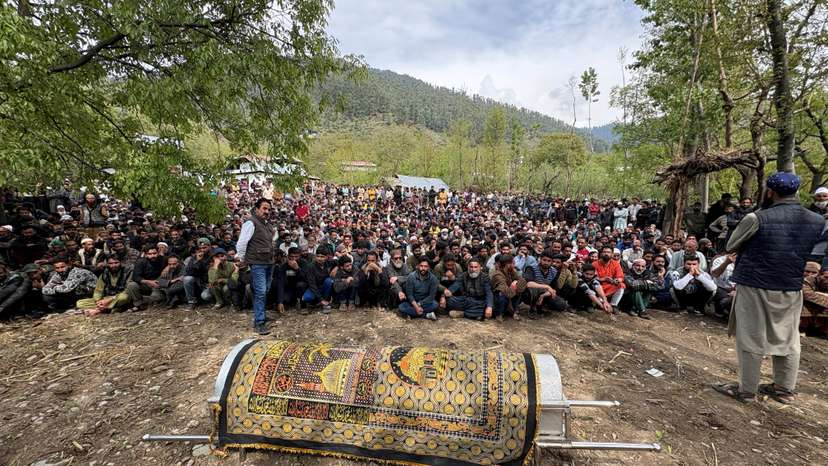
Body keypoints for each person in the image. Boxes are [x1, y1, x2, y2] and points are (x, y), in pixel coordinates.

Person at [713, 172, 826, 404]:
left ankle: (747, 390)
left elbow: (731, 245)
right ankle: (784, 388)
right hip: (791, 286)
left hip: (756, 284)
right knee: (789, 338)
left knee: (751, 337)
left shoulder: (757, 218)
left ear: (770, 192)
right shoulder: (817, 220)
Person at [235, 198, 275, 335]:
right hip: (257, 263)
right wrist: (241, 259)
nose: (267, 211)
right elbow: (241, 243)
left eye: (268, 209)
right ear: (257, 209)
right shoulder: (250, 223)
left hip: (269, 262)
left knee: (264, 290)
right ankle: (259, 322)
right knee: (261, 291)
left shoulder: (268, 225)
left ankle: (261, 314)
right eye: (264, 208)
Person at [523, 249, 569, 315]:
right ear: (540, 259)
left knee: (561, 304)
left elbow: (554, 289)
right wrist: (547, 286)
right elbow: (528, 284)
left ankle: (543, 306)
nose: (546, 263)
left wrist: (543, 296)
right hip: (531, 293)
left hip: (544, 293)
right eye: (544, 260)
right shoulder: (531, 268)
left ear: (551, 262)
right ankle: (533, 306)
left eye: (549, 261)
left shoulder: (554, 271)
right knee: (528, 293)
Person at [126, 245, 165, 310]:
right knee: (131, 285)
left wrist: (167, 267)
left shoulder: (162, 259)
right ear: (146, 255)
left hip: (158, 285)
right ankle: (139, 304)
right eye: (150, 254)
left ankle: (144, 301)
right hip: (145, 284)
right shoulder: (140, 262)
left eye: (154, 253)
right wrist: (148, 282)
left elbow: (174, 259)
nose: (153, 256)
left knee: (157, 298)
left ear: (158, 253)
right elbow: (136, 277)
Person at [490, 253, 527, 320]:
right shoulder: (497, 275)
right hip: (498, 300)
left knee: (519, 289)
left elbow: (522, 280)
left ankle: (513, 311)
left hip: (510, 294)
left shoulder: (511, 271)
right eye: (513, 263)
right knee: (501, 294)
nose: (514, 265)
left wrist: (515, 284)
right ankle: (499, 314)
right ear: (507, 264)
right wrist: (513, 286)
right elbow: (507, 293)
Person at [301, 245, 335, 314]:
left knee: (328, 281)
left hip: (325, 287)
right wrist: (321, 299)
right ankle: (319, 302)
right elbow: (312, 285)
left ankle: (326, 302)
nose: (319, 258)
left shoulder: (329, 263)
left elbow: (339, 262)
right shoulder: (311, 267)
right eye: (318, 256)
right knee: (307, 297)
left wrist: (336, 268)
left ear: (327, 257)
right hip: (314, 288)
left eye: (322, 257)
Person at [275, 246, 307, 313]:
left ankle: (303, 306)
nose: (294, 259)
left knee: (300, 285)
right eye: (292, 257)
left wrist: (297, 269)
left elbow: (305, 278)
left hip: (302, 287)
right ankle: (292, 301)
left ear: (300, 256)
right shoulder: (284, 266)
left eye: (296, 257)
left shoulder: (304, 263)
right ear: (288, 256)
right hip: (290, 288)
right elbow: (280, 283)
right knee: (285, 300)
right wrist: (280, 301)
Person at [593, 246, 625, 311]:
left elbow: (620, 277)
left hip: (610, 285)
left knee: (621, 285)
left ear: (612, 254)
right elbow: (592, 278)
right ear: (601, 253)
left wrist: (617, 280)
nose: (606, 254)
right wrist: (603, 279)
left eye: (608, 252)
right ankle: (600, 300)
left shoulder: (616, 264)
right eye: (604, 252)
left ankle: (613, 305)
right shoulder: (595, 264)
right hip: (599, 287)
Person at [801, 262, 828, 336]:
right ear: (819, 275)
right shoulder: (807, 280)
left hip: (822, 313)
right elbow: (807, 295)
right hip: (807, 311)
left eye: (813, 272)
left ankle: (823, 331)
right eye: (826, 277)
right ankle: (802, 328)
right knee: (803, 303)